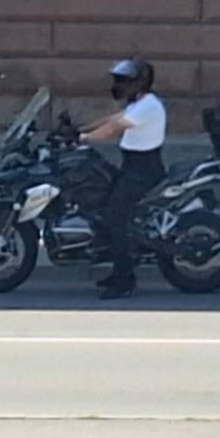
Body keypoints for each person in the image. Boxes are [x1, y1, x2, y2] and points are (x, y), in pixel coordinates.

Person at [80, 58, 167, 301]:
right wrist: (78, 129)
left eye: (124, 81)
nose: (118, 85)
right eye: (117, 80)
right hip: (132, 166)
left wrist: (83, 140)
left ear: (140, 83)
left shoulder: (149, 106)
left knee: (115, 218)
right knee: (102, 205)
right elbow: (110, 119)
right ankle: (116, 268)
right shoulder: (137, 103)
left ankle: (124, 281)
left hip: (144, 171)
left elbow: (113, 129)